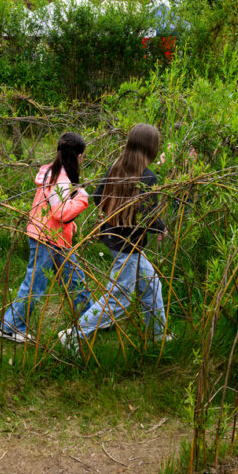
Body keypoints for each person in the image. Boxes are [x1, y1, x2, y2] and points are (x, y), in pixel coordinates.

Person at [58, 123, 172, 354]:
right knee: (118, 300)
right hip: (128, 247)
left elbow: (99, 197)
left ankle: (158, 336)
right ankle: (73, 335)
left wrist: (117, 211)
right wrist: (161, 228)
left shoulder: (116, 167)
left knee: (151, 285)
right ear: (151, 148)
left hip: (113, 238)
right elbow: (149, 216)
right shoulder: (148, 177)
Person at [0, 132, 91, 343]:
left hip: (53, 237)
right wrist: (82, 199)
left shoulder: (51, 172)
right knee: (35, 285)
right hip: (46, 238)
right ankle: (10, 327)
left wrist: (70, 223)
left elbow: (52, 208)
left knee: (75, 279)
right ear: (75, 156)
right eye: (81, 155)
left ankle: (93, 318)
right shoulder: (62, 179)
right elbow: (59, 213)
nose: (82, 159)